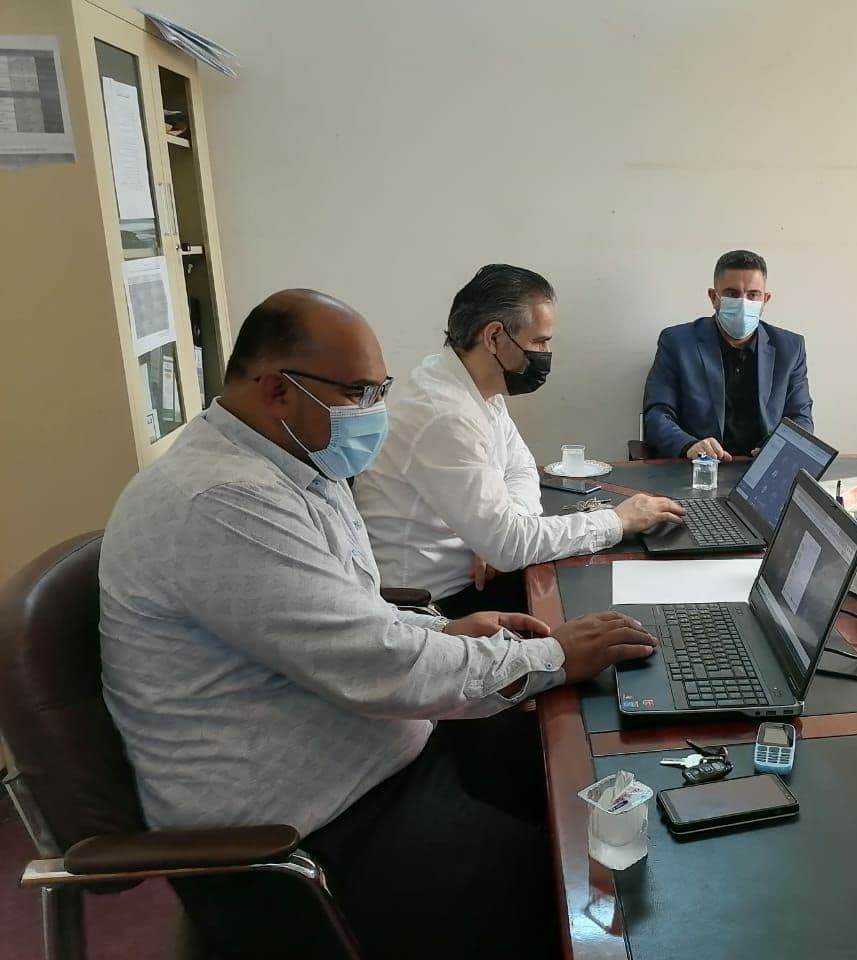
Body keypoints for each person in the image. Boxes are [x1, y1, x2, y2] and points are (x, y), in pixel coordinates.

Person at [98, 288, 658, 960]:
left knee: (579, 772)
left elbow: (347, 609)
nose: (373, 412)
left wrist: (439, 630)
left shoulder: (292, 464)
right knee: (580, 898)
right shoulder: (223, 501)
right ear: (277, 390)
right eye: (358, 392)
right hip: (313, 829)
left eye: (379, 390)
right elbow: (378, 664)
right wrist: (554, 658)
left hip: (377, 753)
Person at [356, 264, 685, 616]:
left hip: (479, 575)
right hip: (437, 606)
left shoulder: (474, 385)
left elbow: (522, 468)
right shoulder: (444, 414)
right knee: (607, 610)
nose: (546, 351)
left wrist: (501, 534)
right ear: (494, 337)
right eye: (539, 341)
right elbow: (510, 545)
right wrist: (616, 521)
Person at [642, 249, 814, 461]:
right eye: (732, 294)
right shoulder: (677, 343)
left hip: (763, 466)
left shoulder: (790, 348)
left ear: (765, 299)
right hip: (699, 466)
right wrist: (688, 445)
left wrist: (777, 448)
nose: (743, 302)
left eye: (753, 295)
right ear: (714, 297)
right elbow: (657, 414)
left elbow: (800, 418)